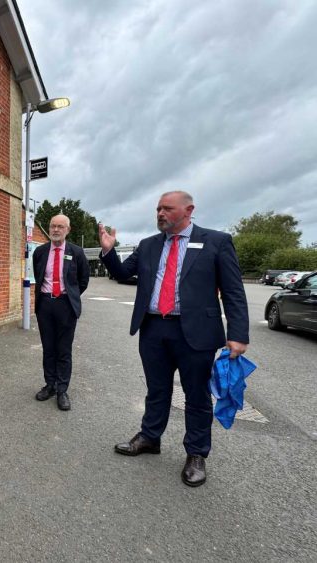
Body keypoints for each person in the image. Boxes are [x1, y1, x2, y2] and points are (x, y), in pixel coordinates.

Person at [98, 190, 249, 487]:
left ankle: (196, 453)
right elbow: (122, 274)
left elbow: (233, 291)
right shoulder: (149, 245)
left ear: (188, 210)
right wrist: (108, 251)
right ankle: (150, 437)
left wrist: (238, 334)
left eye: (167, 209)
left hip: (196, 332)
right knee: (157, 389)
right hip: (154, 328)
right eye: (158, 209)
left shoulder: (216, 242)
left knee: (196, 396)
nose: (160, 214)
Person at [32, 214, 89, 411]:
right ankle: (50, 385)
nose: (55, 230)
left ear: (68, 230)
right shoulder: (40, 252)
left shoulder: (77, 252)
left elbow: (83, 281)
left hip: (66, 305)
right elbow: (39, 277)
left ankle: (62, 389)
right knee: (48, 348)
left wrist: (70, 296)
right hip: (45, 305)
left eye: (60, 227)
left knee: (63, 349)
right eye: (53, 226)